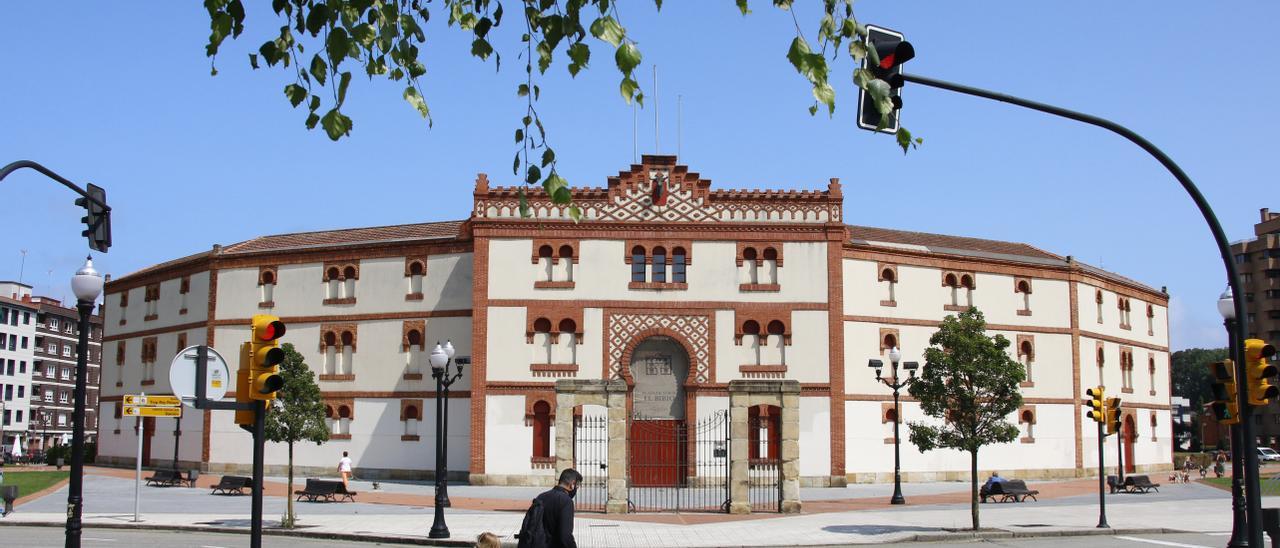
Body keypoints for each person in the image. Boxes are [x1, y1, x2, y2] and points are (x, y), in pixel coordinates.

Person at [535, 468, 582, 548]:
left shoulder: (541, 497)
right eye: (577, 486)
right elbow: (565, 536)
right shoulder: (566, 501)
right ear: (572, 484)